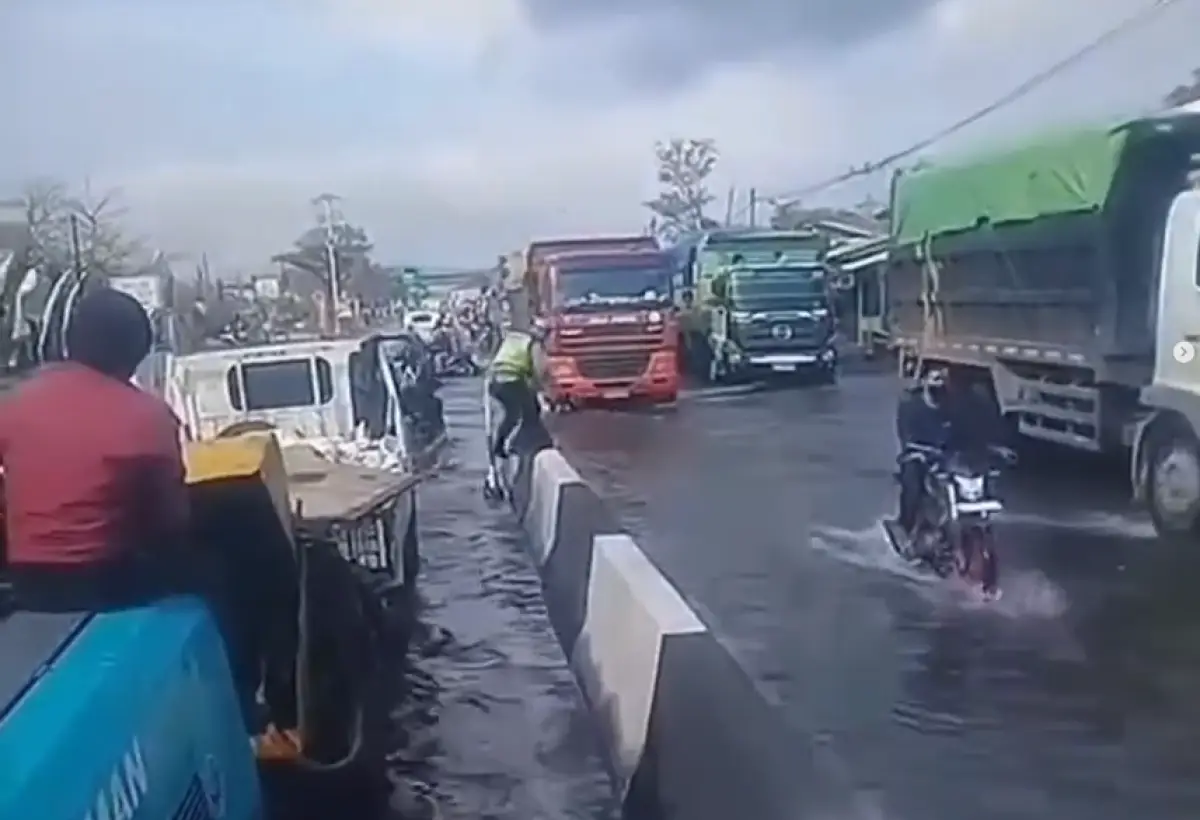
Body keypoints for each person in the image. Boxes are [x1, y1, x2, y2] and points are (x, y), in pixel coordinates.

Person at [1, 288, 193, 612]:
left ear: (70, 344)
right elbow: (171, 522)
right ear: (136, 352)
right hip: (110, 583)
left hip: (29, 583)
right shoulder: (150, 417)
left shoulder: (15, 403)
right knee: (214, 572)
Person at [895, 368, 1012, 547]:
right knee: (913, 483)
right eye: (935, 389)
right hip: (920, 456)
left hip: (947, 459)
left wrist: (995, 449)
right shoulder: (912, 407)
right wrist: (914, 449)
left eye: (942, 391)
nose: (938, 395)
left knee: (979, 475)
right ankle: (907, 528)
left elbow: (970, 435)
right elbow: (907, 435)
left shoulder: (955, 409)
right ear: (926, 387)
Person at [487, 326, 543, 459]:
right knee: (528, 411)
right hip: (510, 381)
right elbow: (538, 369)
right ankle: (528, 445)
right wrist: (540, 386)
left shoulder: (514, 339)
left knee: (514, 413)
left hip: (495, 382)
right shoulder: (533, 343)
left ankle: (504, 445)